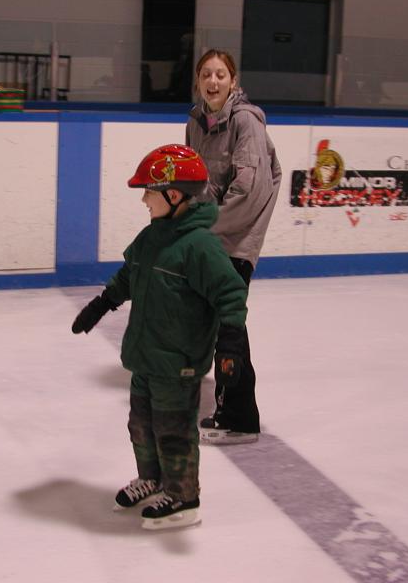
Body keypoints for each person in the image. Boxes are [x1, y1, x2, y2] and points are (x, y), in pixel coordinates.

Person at [71, 144, 248, 530]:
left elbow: (230, 293)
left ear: (173, 194)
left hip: (177, 363)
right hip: (145, 357)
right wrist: (102, 304)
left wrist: (230, 341)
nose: (143, 200)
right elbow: (128, 275)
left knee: (174, 432)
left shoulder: (199, 247)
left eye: (148, 191)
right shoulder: (151, 238)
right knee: (141, 426)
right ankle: (152, 479)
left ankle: (184, 497)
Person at [185, 49, 282, 445]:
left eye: (220, 74)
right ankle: (227, 405)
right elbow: (195, 179)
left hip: (238, 239)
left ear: (233, 80)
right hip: (210, 236)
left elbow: (250, 189)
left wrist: (205, 226)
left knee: (230, 328)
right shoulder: (196, 121)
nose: (213, 81)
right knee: (213, 322)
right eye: (206, 74)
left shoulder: (246, 122)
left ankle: (240, 419)